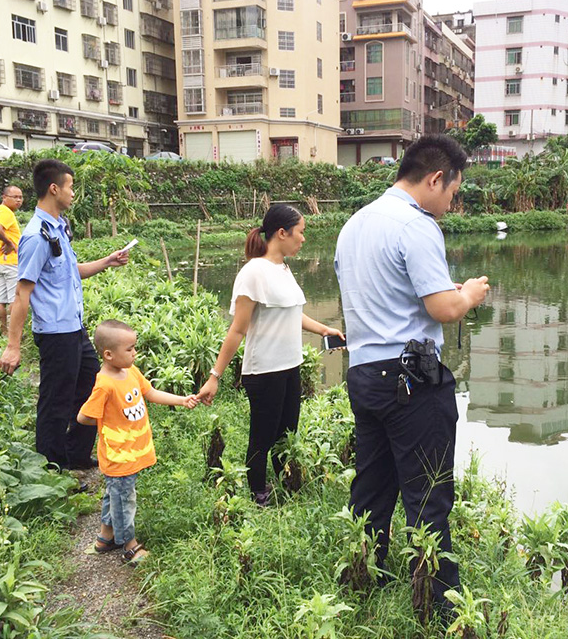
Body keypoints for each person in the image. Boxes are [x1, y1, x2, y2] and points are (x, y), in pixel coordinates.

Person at [333, 134, 490, 615]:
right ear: (436, 179)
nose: (450, 204)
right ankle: (438, 606)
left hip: (364, 374)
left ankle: (362, 578)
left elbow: (384, 295)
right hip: (409, 379)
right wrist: (469, 295)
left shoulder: (355, 224)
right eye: (453, 193)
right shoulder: (417, 225)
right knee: (429, 493)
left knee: (372, 486)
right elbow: (444, 309)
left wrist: (446, 292)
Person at [197, 205, 344, 506]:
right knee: (263, 436)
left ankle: (286, 484)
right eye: (300, 232)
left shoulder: (283, 269)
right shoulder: (253, 273)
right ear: (282, 233)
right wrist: (214, 376)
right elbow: (237, 330)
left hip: (291, 366)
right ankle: (258, 494)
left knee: (287, 432)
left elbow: (291, 313)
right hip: (264, 370)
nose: (303, 239)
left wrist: (323, 330)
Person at [0, 158, 130, 470]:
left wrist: (107, 261)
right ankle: (52, 468)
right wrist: (13, 346)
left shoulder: (58, 228)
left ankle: (74, 454)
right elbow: (22, 293)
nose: (73, 193)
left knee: (91, 384)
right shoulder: (36, 236)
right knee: (55, 401)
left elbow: (72, 271)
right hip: (55, 334)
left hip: (74, 328)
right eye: (70, 187)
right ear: (54, 189)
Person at [77, 319, 199, 564]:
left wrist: (181, 400)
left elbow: (150, 393)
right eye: (130, 349)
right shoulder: (105, 385)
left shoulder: (130, 371)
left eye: (134, 347)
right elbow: (84, 416)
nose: (135, 353)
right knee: (124, 500)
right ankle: (129, 546)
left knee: (115, 495)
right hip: (119, 455)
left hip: (131, 452)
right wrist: (107, 421)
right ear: (109, 355)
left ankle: (106, 537)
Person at [0, 185, 24, 335]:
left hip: (1, 261)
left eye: (20, 197)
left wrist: (0, 243)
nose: (18, 200)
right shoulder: (6, 212)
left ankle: (3, 331)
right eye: (15, 197)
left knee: (0, 299)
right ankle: (14, 334)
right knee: (15, 300)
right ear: (4, 197)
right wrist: (8, 243)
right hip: (11, 263)